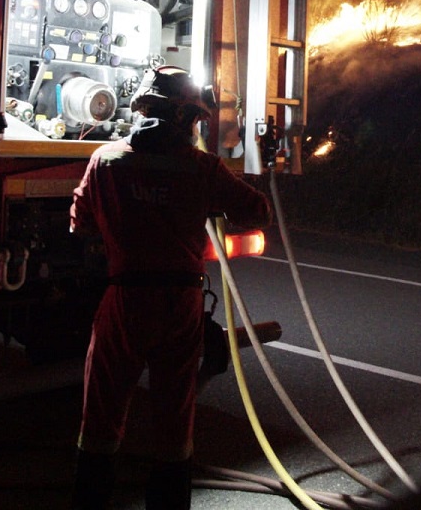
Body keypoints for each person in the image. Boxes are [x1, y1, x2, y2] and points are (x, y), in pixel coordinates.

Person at [69, 65, 272, 510]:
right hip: (179, 304)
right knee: (174, 420)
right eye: (197, 121)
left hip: (123, 300)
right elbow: (258, 212)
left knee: (101, 413)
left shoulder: (105, 161)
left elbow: (80, 223)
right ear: (184, 118)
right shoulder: (203, 168)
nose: (198, 129)